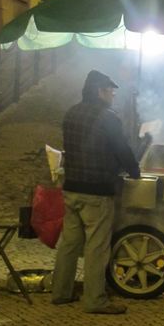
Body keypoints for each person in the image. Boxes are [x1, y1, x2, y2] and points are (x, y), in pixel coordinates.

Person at [52, 70, 140, 313]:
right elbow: (121, 149)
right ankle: (94, 300)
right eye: (110, 91)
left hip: (71, 188)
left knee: (69, 243)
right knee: (97, 246)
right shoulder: (107, 117)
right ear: (99, 91)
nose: (113, 95)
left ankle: (60, 293)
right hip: (97, 191)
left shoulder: (71, 113)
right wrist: (134, 170)